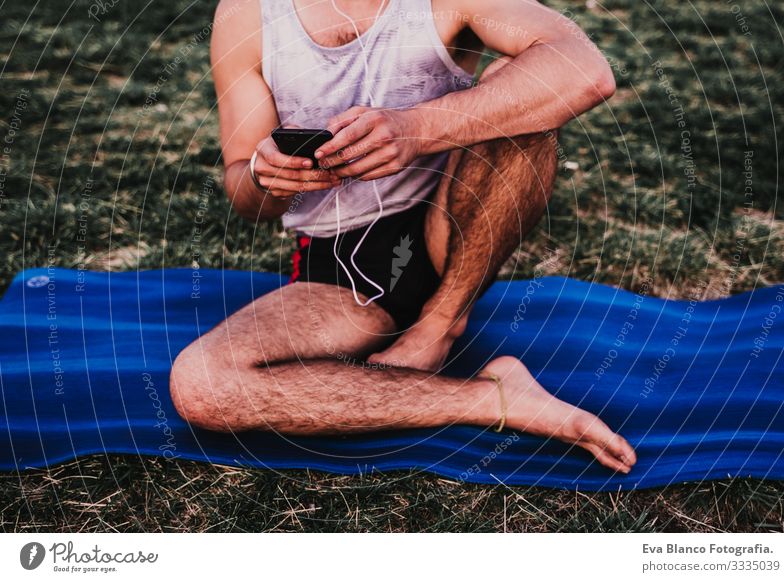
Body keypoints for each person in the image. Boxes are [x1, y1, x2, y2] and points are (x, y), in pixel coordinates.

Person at [169, 0, 637, 473]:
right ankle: (494, 399)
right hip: (341, 266)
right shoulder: (249, 12)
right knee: (202, 385)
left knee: (528, 92)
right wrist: (265, 177)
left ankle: (441, 323)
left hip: (451, 223)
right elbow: (245, 196)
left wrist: (416, 130)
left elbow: (586, 71)